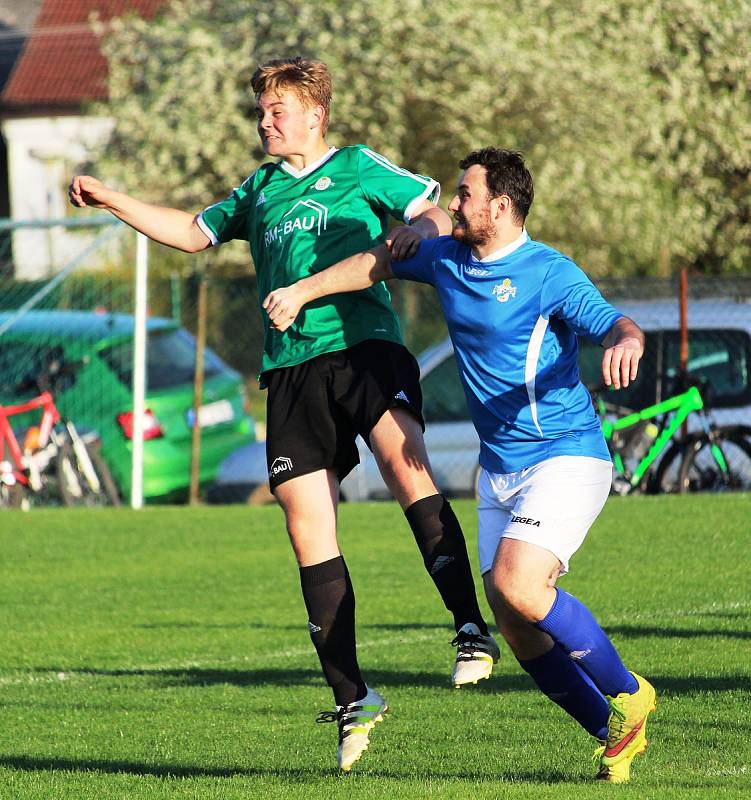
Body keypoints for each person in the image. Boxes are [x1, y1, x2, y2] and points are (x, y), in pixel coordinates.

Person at [68, 57, 498, 772]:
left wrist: (415, 229)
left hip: (363, 350)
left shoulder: (358, 166)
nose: (266, 121)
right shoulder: (260, 189)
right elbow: (190, 232)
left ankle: (468, 628)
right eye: (261, 110)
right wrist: (112, 198)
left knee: (402, 460)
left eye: (276, 110)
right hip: (290, 372)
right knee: (304, 524)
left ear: (313, 116)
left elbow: (429, 206)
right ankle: (353, 695)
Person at [262, 147, 657, 784]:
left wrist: (628, 341)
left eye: (465, 194)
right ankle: (610, 729)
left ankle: (628, 691)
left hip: (565, 457)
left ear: (499, 207)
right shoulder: (449, 259)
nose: (453, 203)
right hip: (498, 472)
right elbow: (376, 263)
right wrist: (304, 290)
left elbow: (614, 323)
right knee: (517, 627)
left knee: (517, 587)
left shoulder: (548, 272)